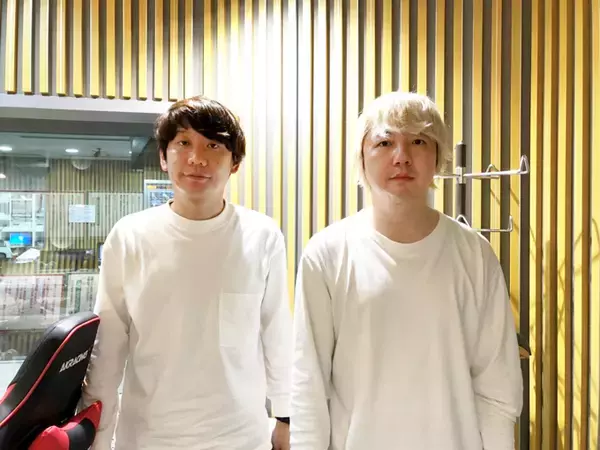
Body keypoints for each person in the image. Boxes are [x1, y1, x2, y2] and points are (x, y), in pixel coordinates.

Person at [290, 91, 523, 449]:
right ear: (362, 157)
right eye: (384, 142)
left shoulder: (474, 254)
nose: (402, 157)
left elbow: (497, 390)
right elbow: (308, 385)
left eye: (418, 141)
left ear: (438, 157)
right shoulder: (327, 254)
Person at [80, 96, 292, 450]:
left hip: (240, 437)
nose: (197, 158)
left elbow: (277, 333)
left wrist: (286, 417)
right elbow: (108, 348)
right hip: (147, 438)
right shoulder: (130, 236)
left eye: (213, 145)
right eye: (183, 143)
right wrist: (96, 436)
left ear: (235, 162)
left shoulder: (262, 236)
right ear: (164, 157)